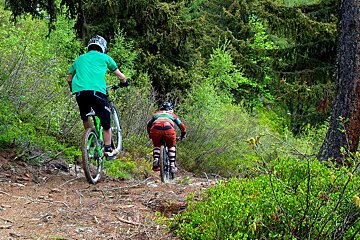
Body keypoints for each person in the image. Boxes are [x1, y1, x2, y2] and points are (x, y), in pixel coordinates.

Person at [67, 35, 129, 160]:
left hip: (79, 92)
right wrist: (124, 82)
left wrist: (73, 89)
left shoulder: (79, 59)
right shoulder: (105, 58)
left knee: (85, 116)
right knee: (106, 121)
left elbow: (69, 79)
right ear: (103, 47)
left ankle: (90, 138)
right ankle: (108, 150)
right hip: (97, 92)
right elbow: (120, 76)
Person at [147, 102, 186, 172]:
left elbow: (148, 124)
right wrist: (183, 135)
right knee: (171, 146)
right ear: (171, 109)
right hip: (168, 129)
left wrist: (150, 135)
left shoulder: (156, 114)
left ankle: (156, 160)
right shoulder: (172, 115)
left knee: (156, 145)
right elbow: (181, 126)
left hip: (155, 128)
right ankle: (172, 165)